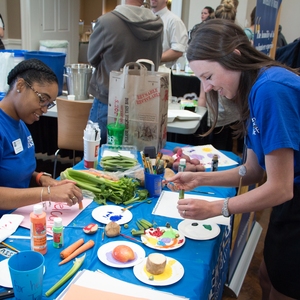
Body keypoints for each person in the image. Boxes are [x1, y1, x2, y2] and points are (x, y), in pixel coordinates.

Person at [165, 19, 300, 300]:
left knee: (283, 289)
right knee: (266, 275)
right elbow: (251, 170)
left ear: (235, 56)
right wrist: (199, 178)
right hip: (291, 201)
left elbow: (280, 188)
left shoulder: (270, 90)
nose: (208, 87)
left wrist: (217, 207)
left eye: (209, 76)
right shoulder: (254, 90)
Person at [0, 58, 83, 217]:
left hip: (18, 215)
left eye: (49, 104)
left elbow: (9, 172)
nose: (44, 109)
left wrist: (39, 178)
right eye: (42, 99)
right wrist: (47, 193)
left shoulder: (20, 123)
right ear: (20, 86)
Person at [87, 0, 163, 144]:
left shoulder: (106, 22)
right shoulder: (157, 24)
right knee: (136, 158)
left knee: (96, 157)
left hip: (109, 102)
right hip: (143, 102)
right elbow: (156, 61)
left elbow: (92, 59)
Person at [197, 0, 243, 153]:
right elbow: (204, 90)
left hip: (226, 116)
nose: (208, 85)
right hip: (220, 116)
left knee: (223, 151)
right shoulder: (209, 50)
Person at [150, 0, 188, 68]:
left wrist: (152, 59)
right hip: (143, 70)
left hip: (164, 71)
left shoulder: (174, 21)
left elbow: (177, 51)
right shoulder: (143, 18)